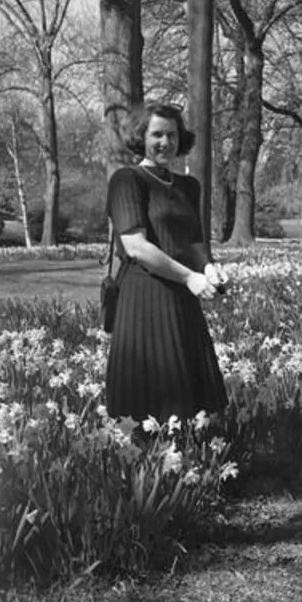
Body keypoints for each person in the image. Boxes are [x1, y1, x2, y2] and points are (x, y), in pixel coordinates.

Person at [105, 101, 228, 429]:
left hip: (184, 294)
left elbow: (195, 241)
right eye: (156, 134)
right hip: (146, 293)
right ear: (141, 136)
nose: (165, 142)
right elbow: (136, 246)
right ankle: (147, 460)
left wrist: (209, 269)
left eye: (172, 135)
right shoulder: (127, 181)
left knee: (190, 389)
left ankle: (191, 463)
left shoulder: (188, 186)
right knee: (153, 392)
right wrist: (189, 277)